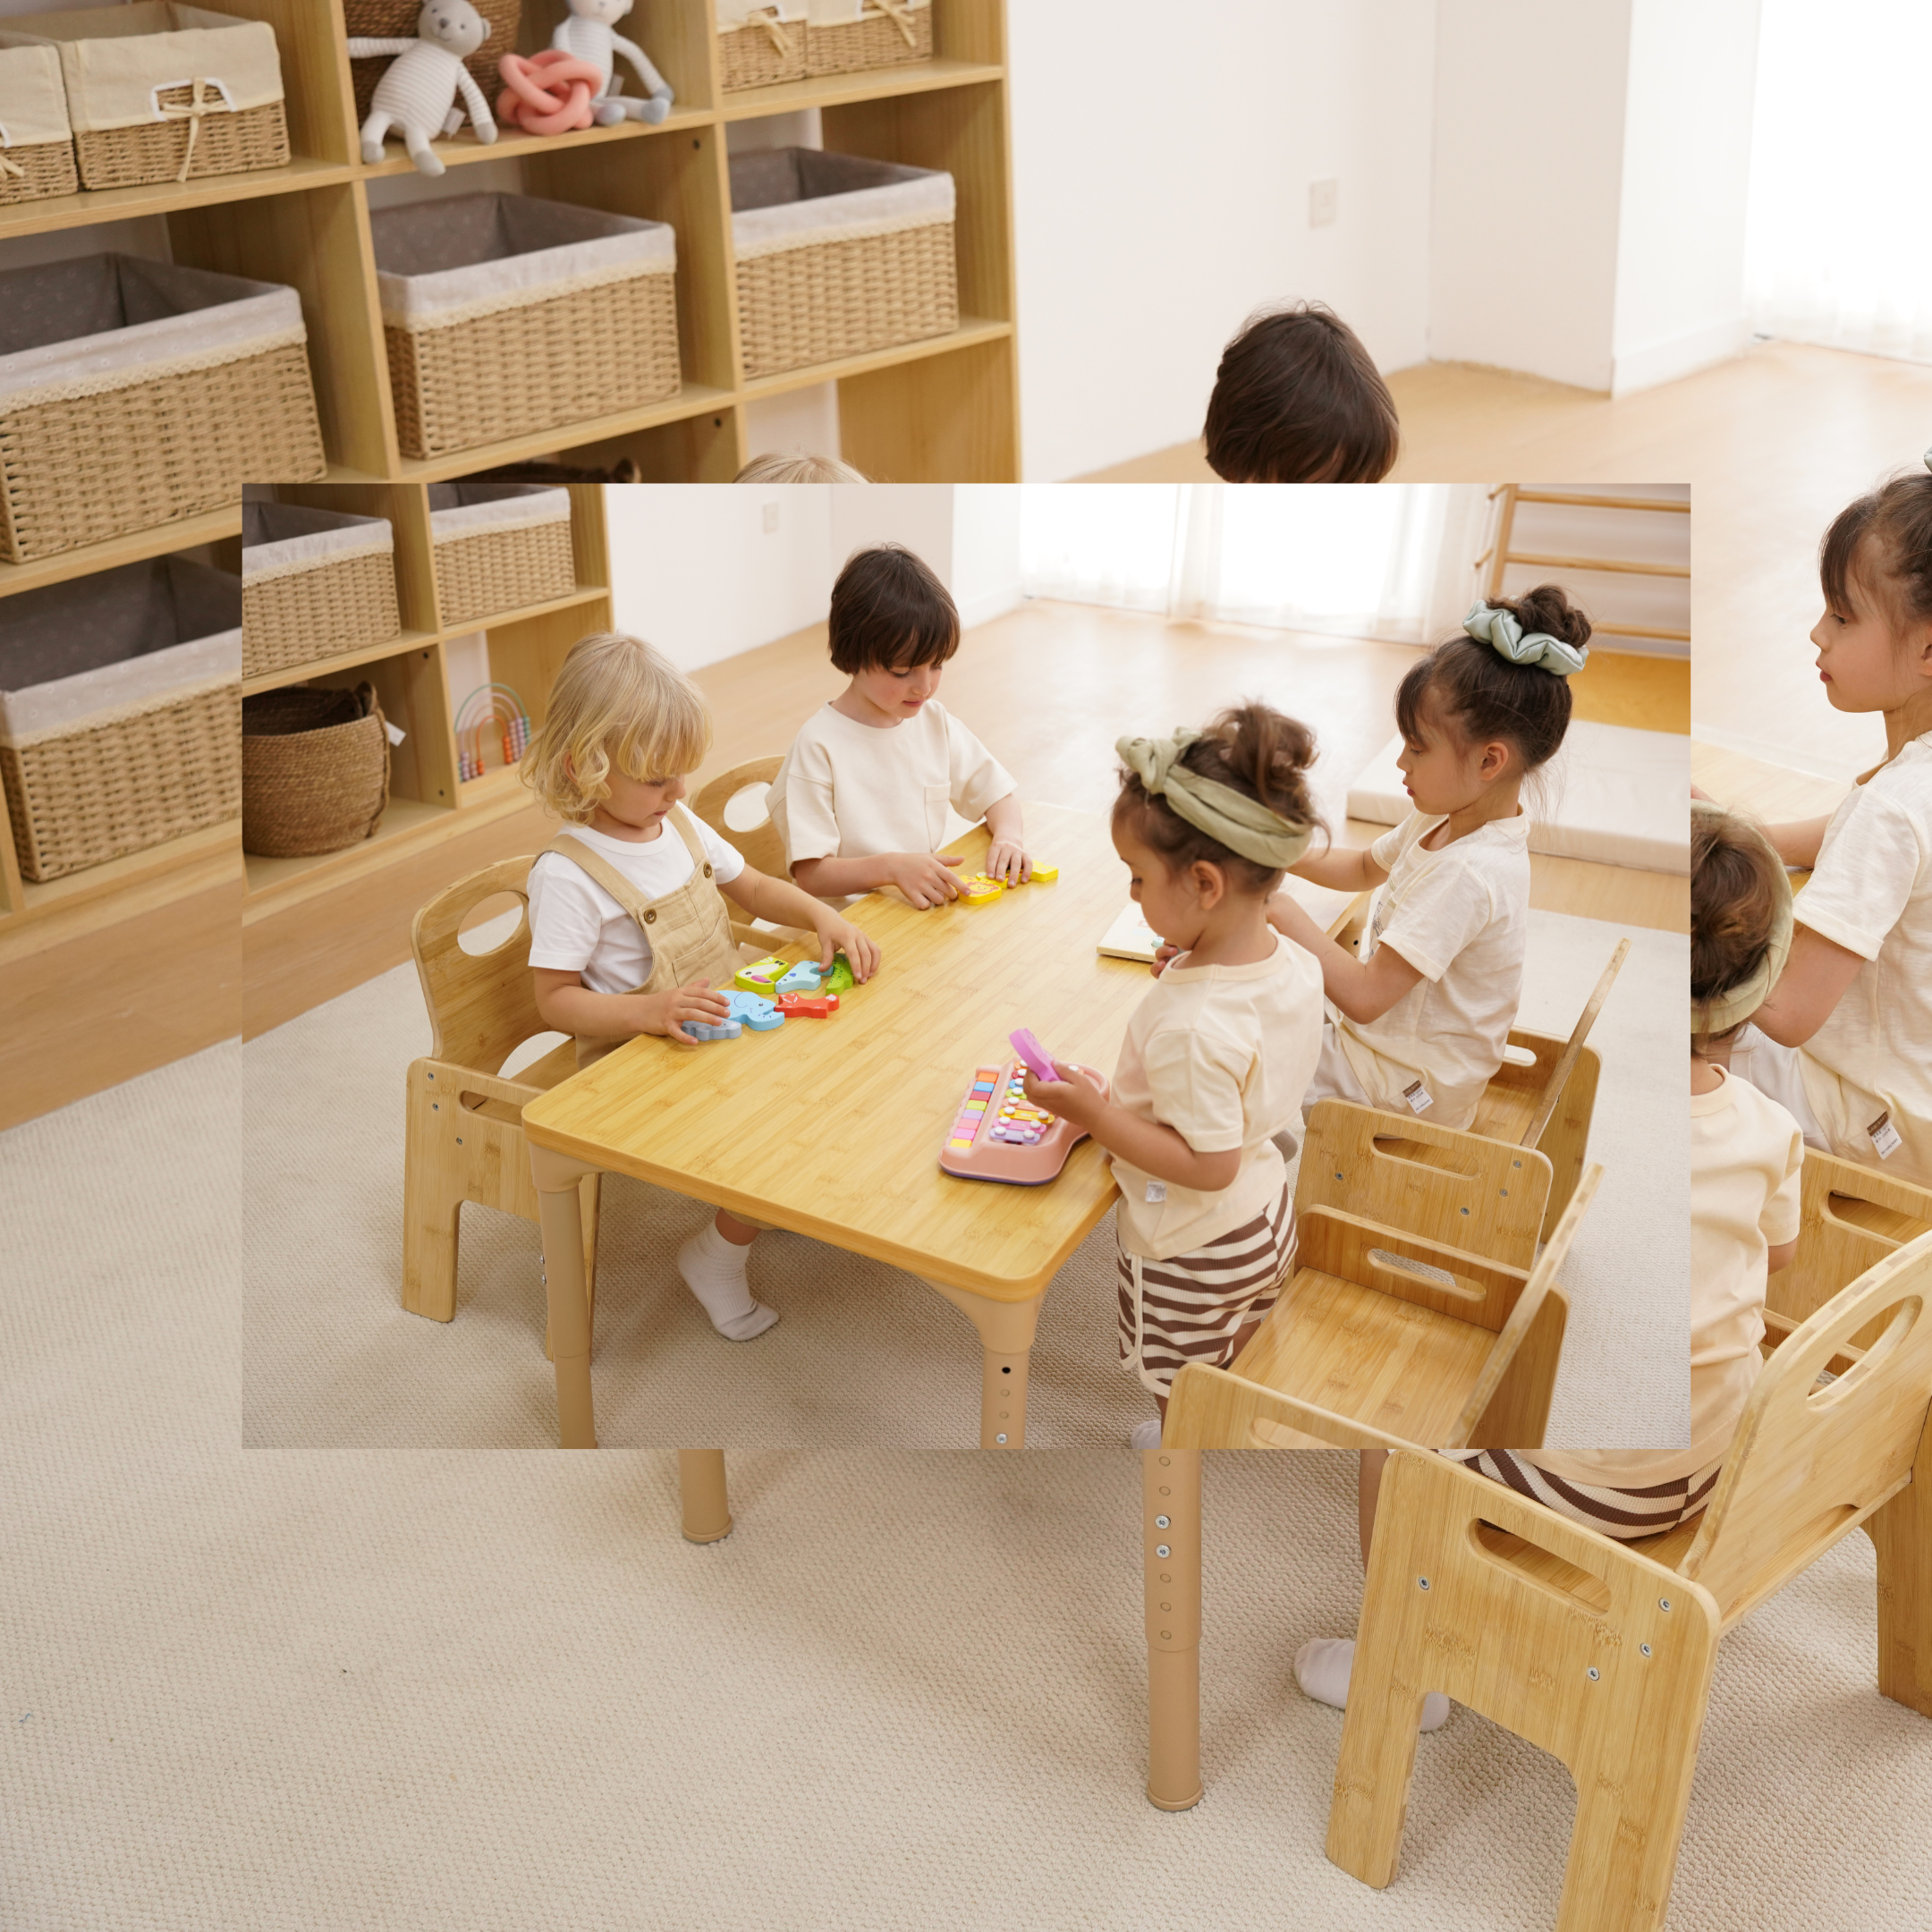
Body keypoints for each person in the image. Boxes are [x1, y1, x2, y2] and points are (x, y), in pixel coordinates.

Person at [521, 630, 880, 1340]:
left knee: (839, 1076)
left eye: (682, 774)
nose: (680, 792)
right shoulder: (566, 875)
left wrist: (816, 916)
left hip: (722, 1023)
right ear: (584, 767)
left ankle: (762, 1207)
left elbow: (749, 886)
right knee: (777, 1126)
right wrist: (649, 1011)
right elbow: (553, 1001)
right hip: (641, 1059)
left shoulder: (676, 822)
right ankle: (715, 1254)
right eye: (659, 779)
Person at [1021, 705, 1326, 1448]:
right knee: (1239, 1340)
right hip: (1268, 1212)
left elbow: (1206, 1165)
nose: (1130, 894)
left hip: (1195, 1242)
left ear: (1205, 885)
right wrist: (1189, 964)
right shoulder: (1290, 958)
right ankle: (1230, 1413)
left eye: (1136, 877)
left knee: (1179, 1374)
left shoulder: (1193, 1027)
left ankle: (1181, 1446)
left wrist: (1096, 1114)